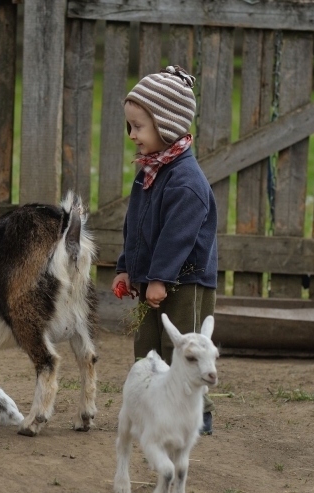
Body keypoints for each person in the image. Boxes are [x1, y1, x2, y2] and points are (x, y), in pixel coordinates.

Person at [111, 66, 219, 435]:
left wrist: (159, 278)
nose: (132, 135)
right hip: (151, 279)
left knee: (184, 348)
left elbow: (179, 237)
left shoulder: (187, 182)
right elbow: (135, 225)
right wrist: (127, 267)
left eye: (138, 126)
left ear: (168, 125)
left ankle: (196, 414)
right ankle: (149, 405)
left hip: (184, 282)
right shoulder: (149, 172)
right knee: (148, 346)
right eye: (130, 126)